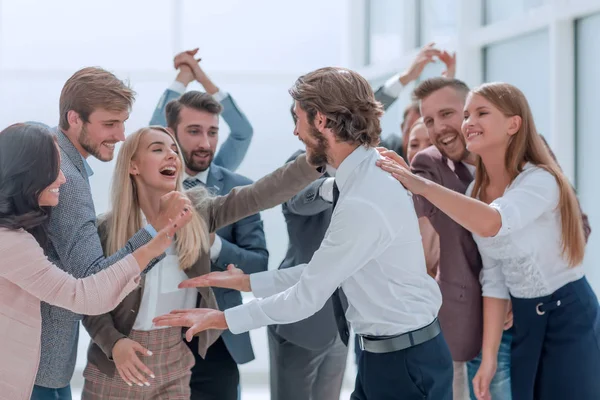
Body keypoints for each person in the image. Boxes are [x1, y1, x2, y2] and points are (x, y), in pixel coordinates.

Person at [154, 67, 454, 400]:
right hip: (384, 357)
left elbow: (307, 296)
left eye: (298, 119)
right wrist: (248, 283)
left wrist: (222, 318)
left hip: (405, 364)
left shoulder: (364, 198)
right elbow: (330, 271)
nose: (296, 131)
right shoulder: (359, 178)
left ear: (322, 121)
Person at [378, 82, 600, 400]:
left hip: (568, 314)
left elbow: (494, 221)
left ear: (514, 123)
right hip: (513, 320)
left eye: (479, 113)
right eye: (467, 115)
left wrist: (420, 186)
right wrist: (490, 356)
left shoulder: (539, 178)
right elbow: (493, 277)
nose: (467, 123)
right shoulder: (468, 189)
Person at [81, 126, 323, 399]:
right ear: (133, 166)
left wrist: (315, 158)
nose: (172, 155)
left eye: (174, 149)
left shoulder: (199, 213)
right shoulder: (106, 229)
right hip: (119, 366)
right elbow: (90, 303)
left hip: (175, 363)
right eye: (158, 149)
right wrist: (114, 344)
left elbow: (260, 194)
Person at [33, 67, 191, 400]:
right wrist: (155, 231)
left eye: (122, 123)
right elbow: (94, 281)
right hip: (41, 362)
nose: (120, 135)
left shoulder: (46, 150)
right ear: (75, 119)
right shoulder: (70, 182)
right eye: (110, 124)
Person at [150, 48, 253, 172]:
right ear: (172, 134)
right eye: (194, 131)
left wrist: (202, 78)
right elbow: (156, 132)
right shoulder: (156, 175)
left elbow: (243, 131)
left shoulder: (221, 175)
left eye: (212, 133)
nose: (205, 144)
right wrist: (184, 76)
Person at [405, 118, 439, 279]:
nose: (421, 152)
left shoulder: (462, 195)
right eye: (414, 145)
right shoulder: (396, 197)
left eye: (430, 144)